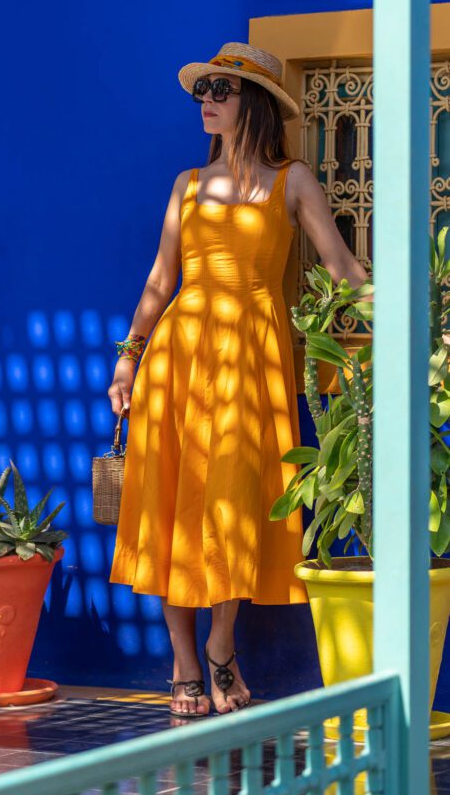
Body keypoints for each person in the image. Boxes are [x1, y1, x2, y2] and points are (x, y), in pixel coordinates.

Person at [107, 41, 371, 720]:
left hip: (250, 360)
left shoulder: (294, 181)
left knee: (232, 505)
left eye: (220, 91)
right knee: (173, 503)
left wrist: (414, 316)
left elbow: (343, 270)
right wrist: (128, 357)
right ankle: (184, 661)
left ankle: (220, 646)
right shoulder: (186, 186)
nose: (206, 101)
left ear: (251, 102)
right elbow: (161, 281)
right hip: (179, 356)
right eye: (203, 91)